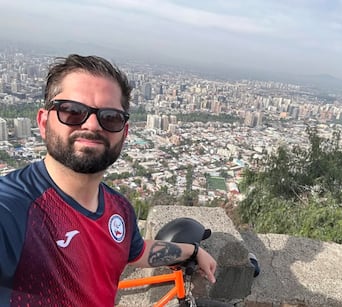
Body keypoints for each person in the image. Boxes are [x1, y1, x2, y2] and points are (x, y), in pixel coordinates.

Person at [0, 54, 217, 306]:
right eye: (72, 111)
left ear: (123, 133)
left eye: (110, 117)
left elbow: (135, 252)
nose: (92, 125)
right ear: (44, 121)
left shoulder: (119, 208)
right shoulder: (15, 209)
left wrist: (193, 251)